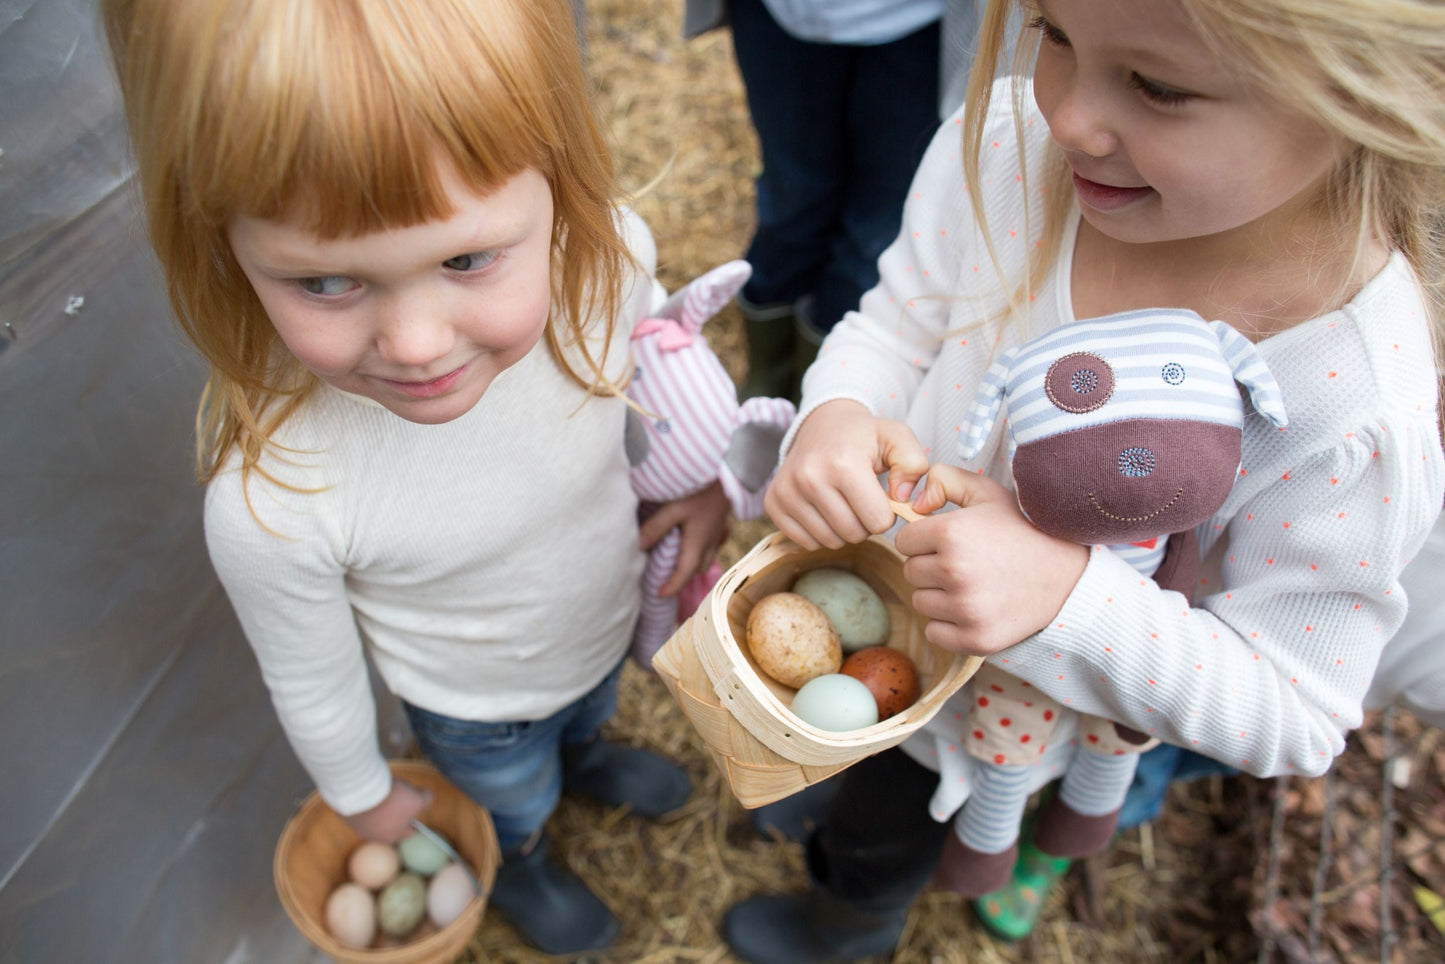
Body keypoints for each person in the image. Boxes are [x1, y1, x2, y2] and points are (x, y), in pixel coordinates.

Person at [722, 0, 1445, 960]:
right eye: (1053, 32)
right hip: (881, 610)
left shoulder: (1347, 397)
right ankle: (832, 789)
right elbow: (898, 322)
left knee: (882, 834)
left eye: (1157, 86)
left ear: (1373, 103)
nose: (1065, 114)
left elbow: (1294, 709)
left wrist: (1067, 600)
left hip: (1000, 716)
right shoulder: (1008, 148)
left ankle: (844, 928)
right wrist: (840, 411)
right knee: (849, 754)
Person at [99, 0, 729, 954]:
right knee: (510, 796)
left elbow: (653, 369)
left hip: (597, 623)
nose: (416, 343)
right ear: (218, 248)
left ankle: (587, 755)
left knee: (588, 713)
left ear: (558, 184)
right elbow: (311, 679)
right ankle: (521, 855)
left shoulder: (606, 271)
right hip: (475, 714)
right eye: (324, 282)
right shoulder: (276, 499)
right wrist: (363, 794)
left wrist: (700, 481)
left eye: (467, 258)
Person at [685, 0, 949, 401]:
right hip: (783, 14)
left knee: (876, 233)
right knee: (791, 204)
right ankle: (768, 382)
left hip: (921, 21)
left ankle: (818, 392)